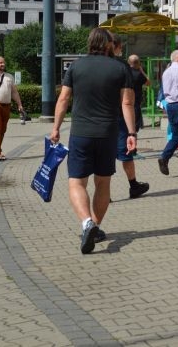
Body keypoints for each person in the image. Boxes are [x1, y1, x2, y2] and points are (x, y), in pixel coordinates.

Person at [50, 28, 137, 254]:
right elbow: (126, 104)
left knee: (76, 182)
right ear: (108, 44)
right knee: (103, 183)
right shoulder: (121, 68)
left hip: (80, 133)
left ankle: (86, 223)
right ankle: (96, 226)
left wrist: (56, 128)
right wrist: (131, 133)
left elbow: (63, 99)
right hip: (107, 133)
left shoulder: (76, 67)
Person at [113, 48, 149, 199]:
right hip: (127, 111)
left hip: (104, 116)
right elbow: (148, 82)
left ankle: (103, 191)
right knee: (126, 152)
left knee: (105, 155)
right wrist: (132, 132)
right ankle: (133, 185)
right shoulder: (129, 71)